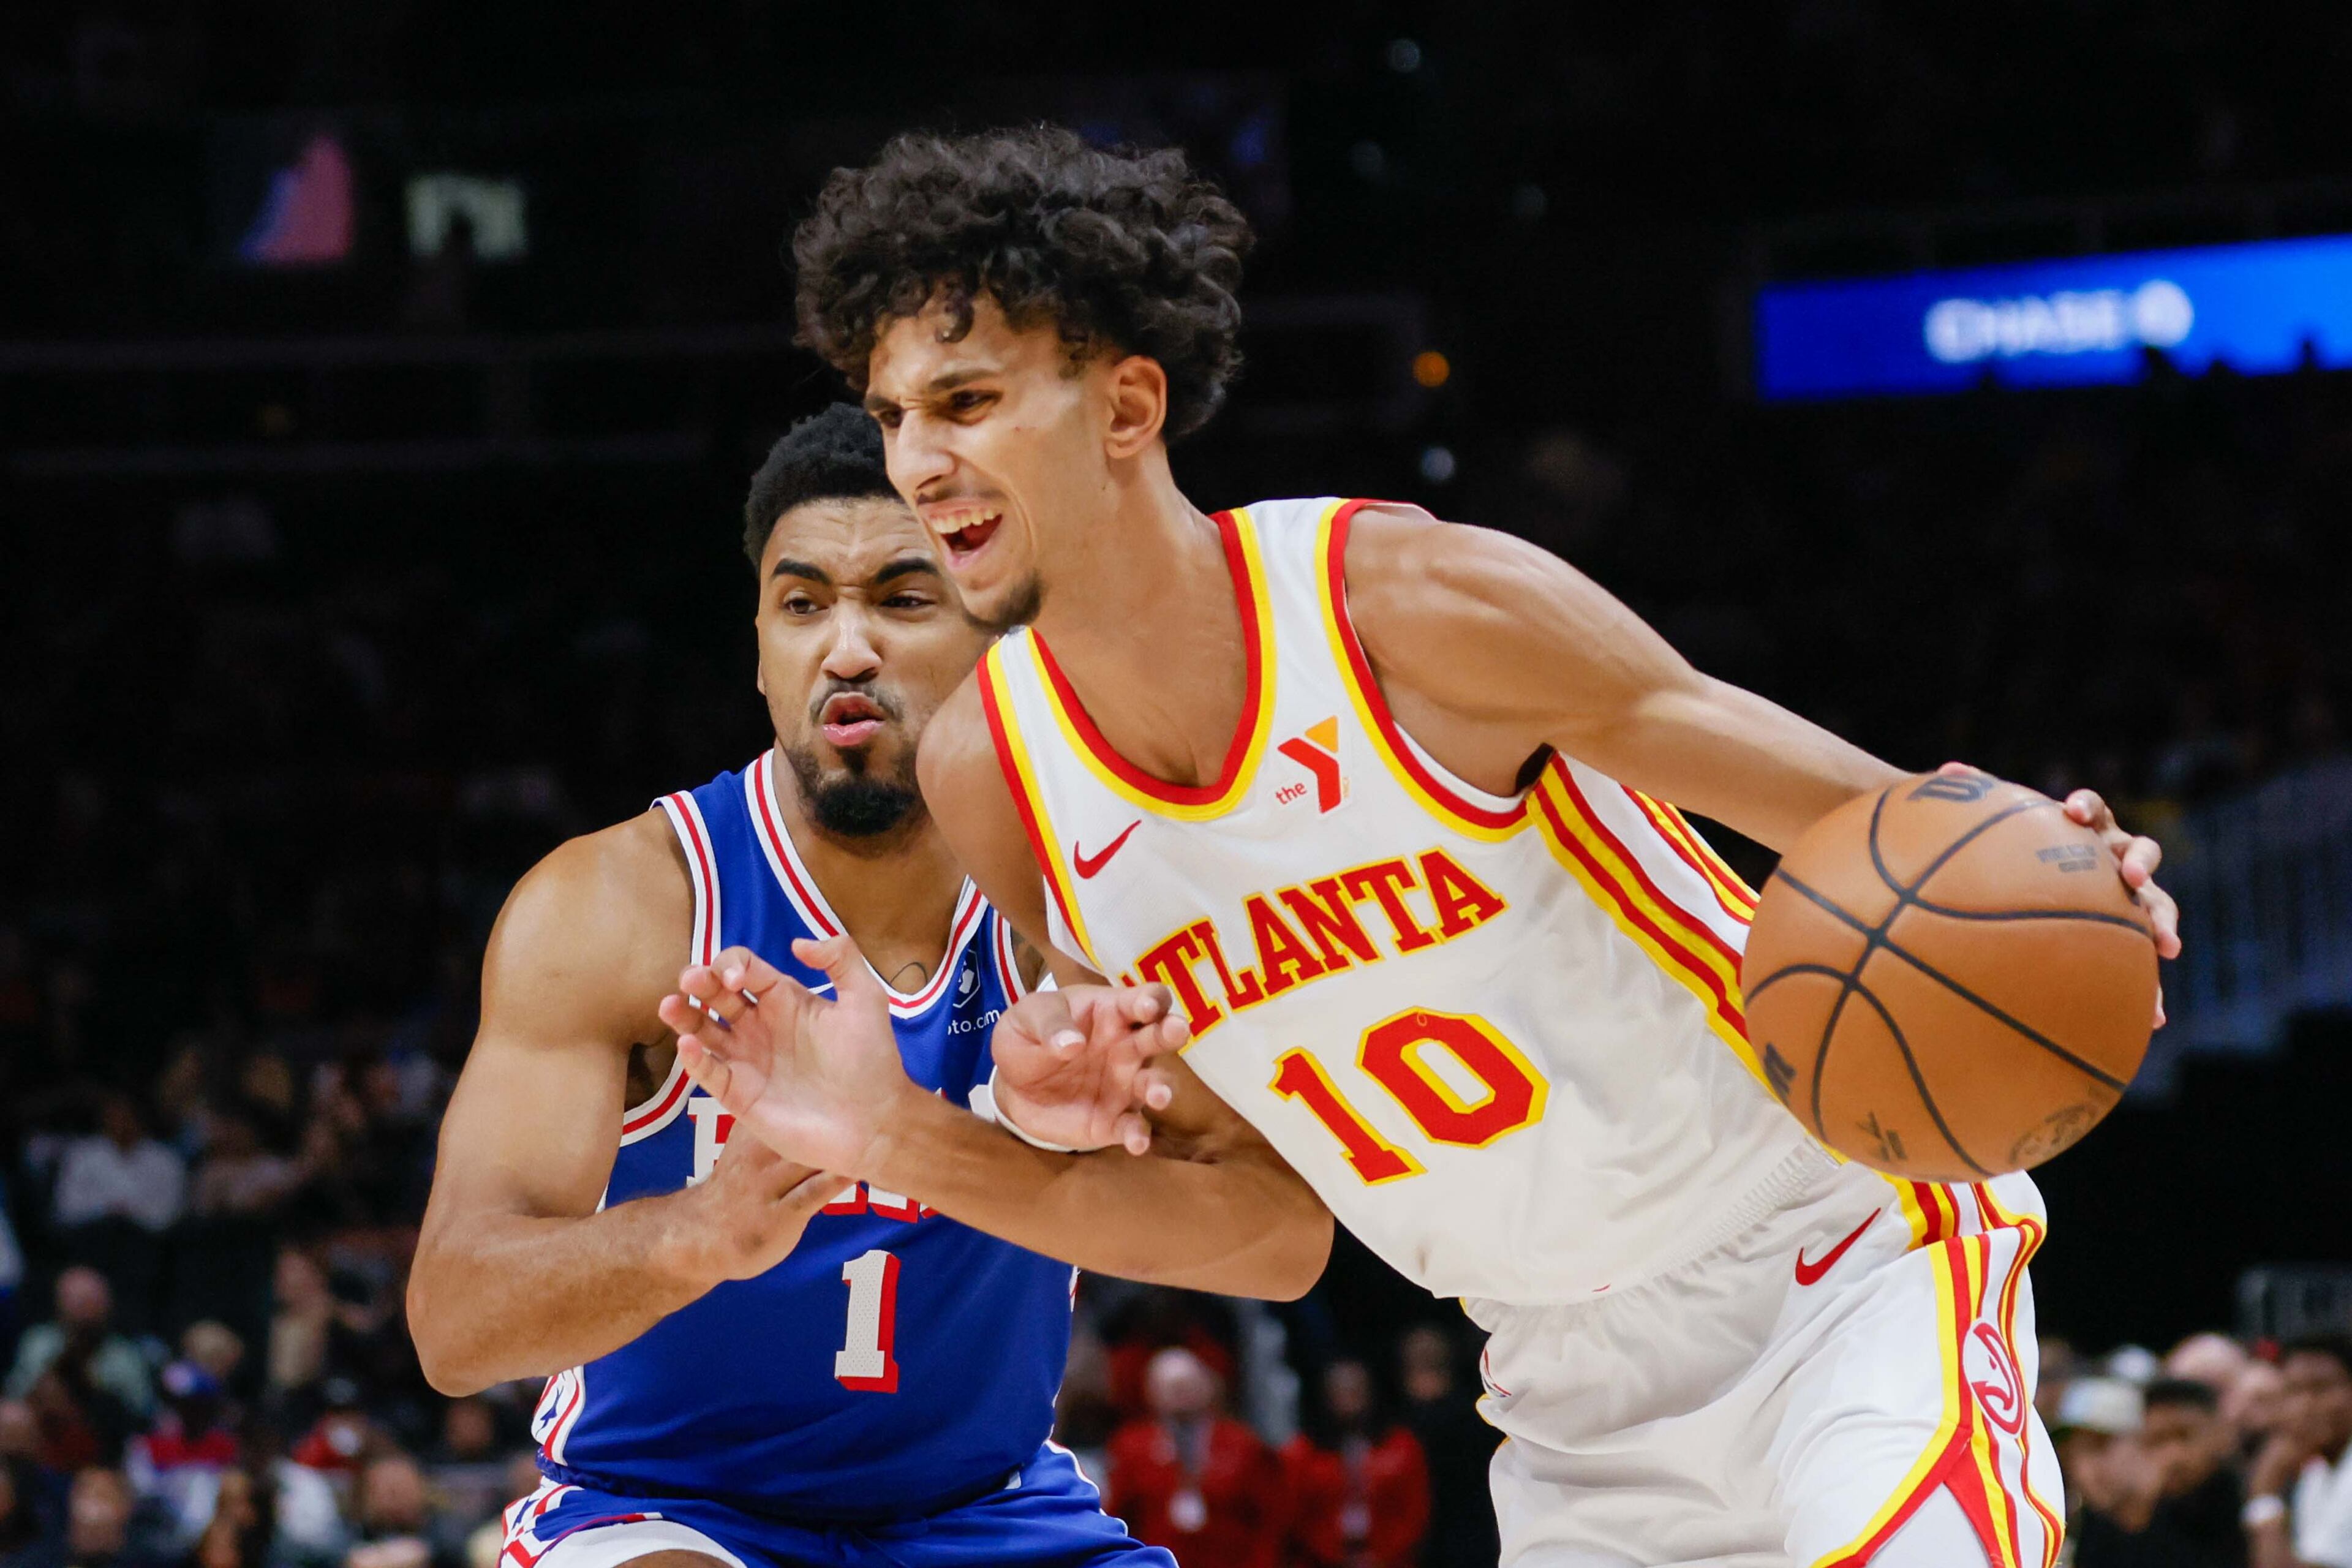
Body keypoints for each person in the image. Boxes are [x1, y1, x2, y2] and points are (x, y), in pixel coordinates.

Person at [676, 124, 2184, 1568]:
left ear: (1128, 407)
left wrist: (2058, 870)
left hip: (1825, 1259)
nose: (918, 461)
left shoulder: (1405, 607)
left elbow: (1874, 825)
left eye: (968, 400)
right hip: (1557, 1379)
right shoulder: (996, 775)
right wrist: (964, 1123)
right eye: (892, 415)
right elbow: (1265, 1226)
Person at [407, 405, 1329, 1568]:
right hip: (665, 1512)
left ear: (1005, 630)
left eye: (901, 597)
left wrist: (1020, 1148)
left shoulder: (1089, 902)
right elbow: (453, 1321)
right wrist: (700, 1234)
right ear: (758, 648)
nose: (846, 649)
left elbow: (1282, 1244)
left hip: (989, 1512)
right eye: (803, 605)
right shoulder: (621, 906)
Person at [1106, 1348, 1286, 1568]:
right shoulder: (1131, 1447)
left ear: (1208, 1387)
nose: (1180, 1394)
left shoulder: (1243, 1444)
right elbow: (1118, 1518)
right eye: (1172, 1387)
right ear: (1150, 1392)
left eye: (1187, 1385)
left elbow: (1269, 1521)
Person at [1280, 1359, 1428, 1568]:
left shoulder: (1401, 1446)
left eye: (1356, 1391)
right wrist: (1332, 1555)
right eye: (1341, 1392)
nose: (1350, 1401)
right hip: (1322, 1559)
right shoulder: (1302, 1452)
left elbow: (1415, 1511)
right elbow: (1295, 1515)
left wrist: (1381, 1556)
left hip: (1390, 1559)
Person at [2243, 1336, 2352, 1568]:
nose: (2304, 1405)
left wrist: (2264, 1496)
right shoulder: (2316, 1472)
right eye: (2294, 1391)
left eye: (2320, 1388)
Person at [2138, 1379, 2246, 1567]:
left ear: (2221, 1432)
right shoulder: (2141, 1524)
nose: (2173, 1456)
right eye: (2157, 1441)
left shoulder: (2254, 1507)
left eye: (2184, 1435)